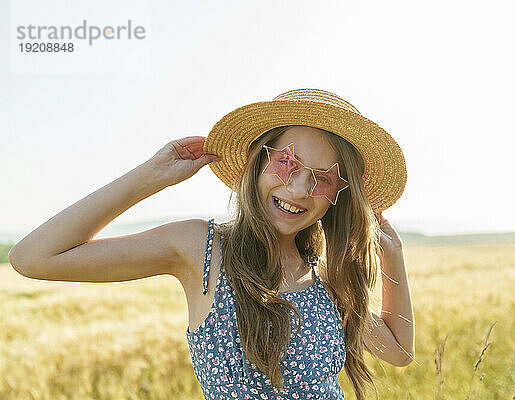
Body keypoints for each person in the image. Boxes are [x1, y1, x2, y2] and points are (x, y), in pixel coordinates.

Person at [8, 88, 415, 400]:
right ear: (258, 157)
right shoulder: (201, 249)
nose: (299, 188)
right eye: (287, 162)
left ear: (336, 195)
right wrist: (153, 175)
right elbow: (33, 257)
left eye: (323, 178)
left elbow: (399, 352)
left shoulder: (326, 281)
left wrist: (392, 257)